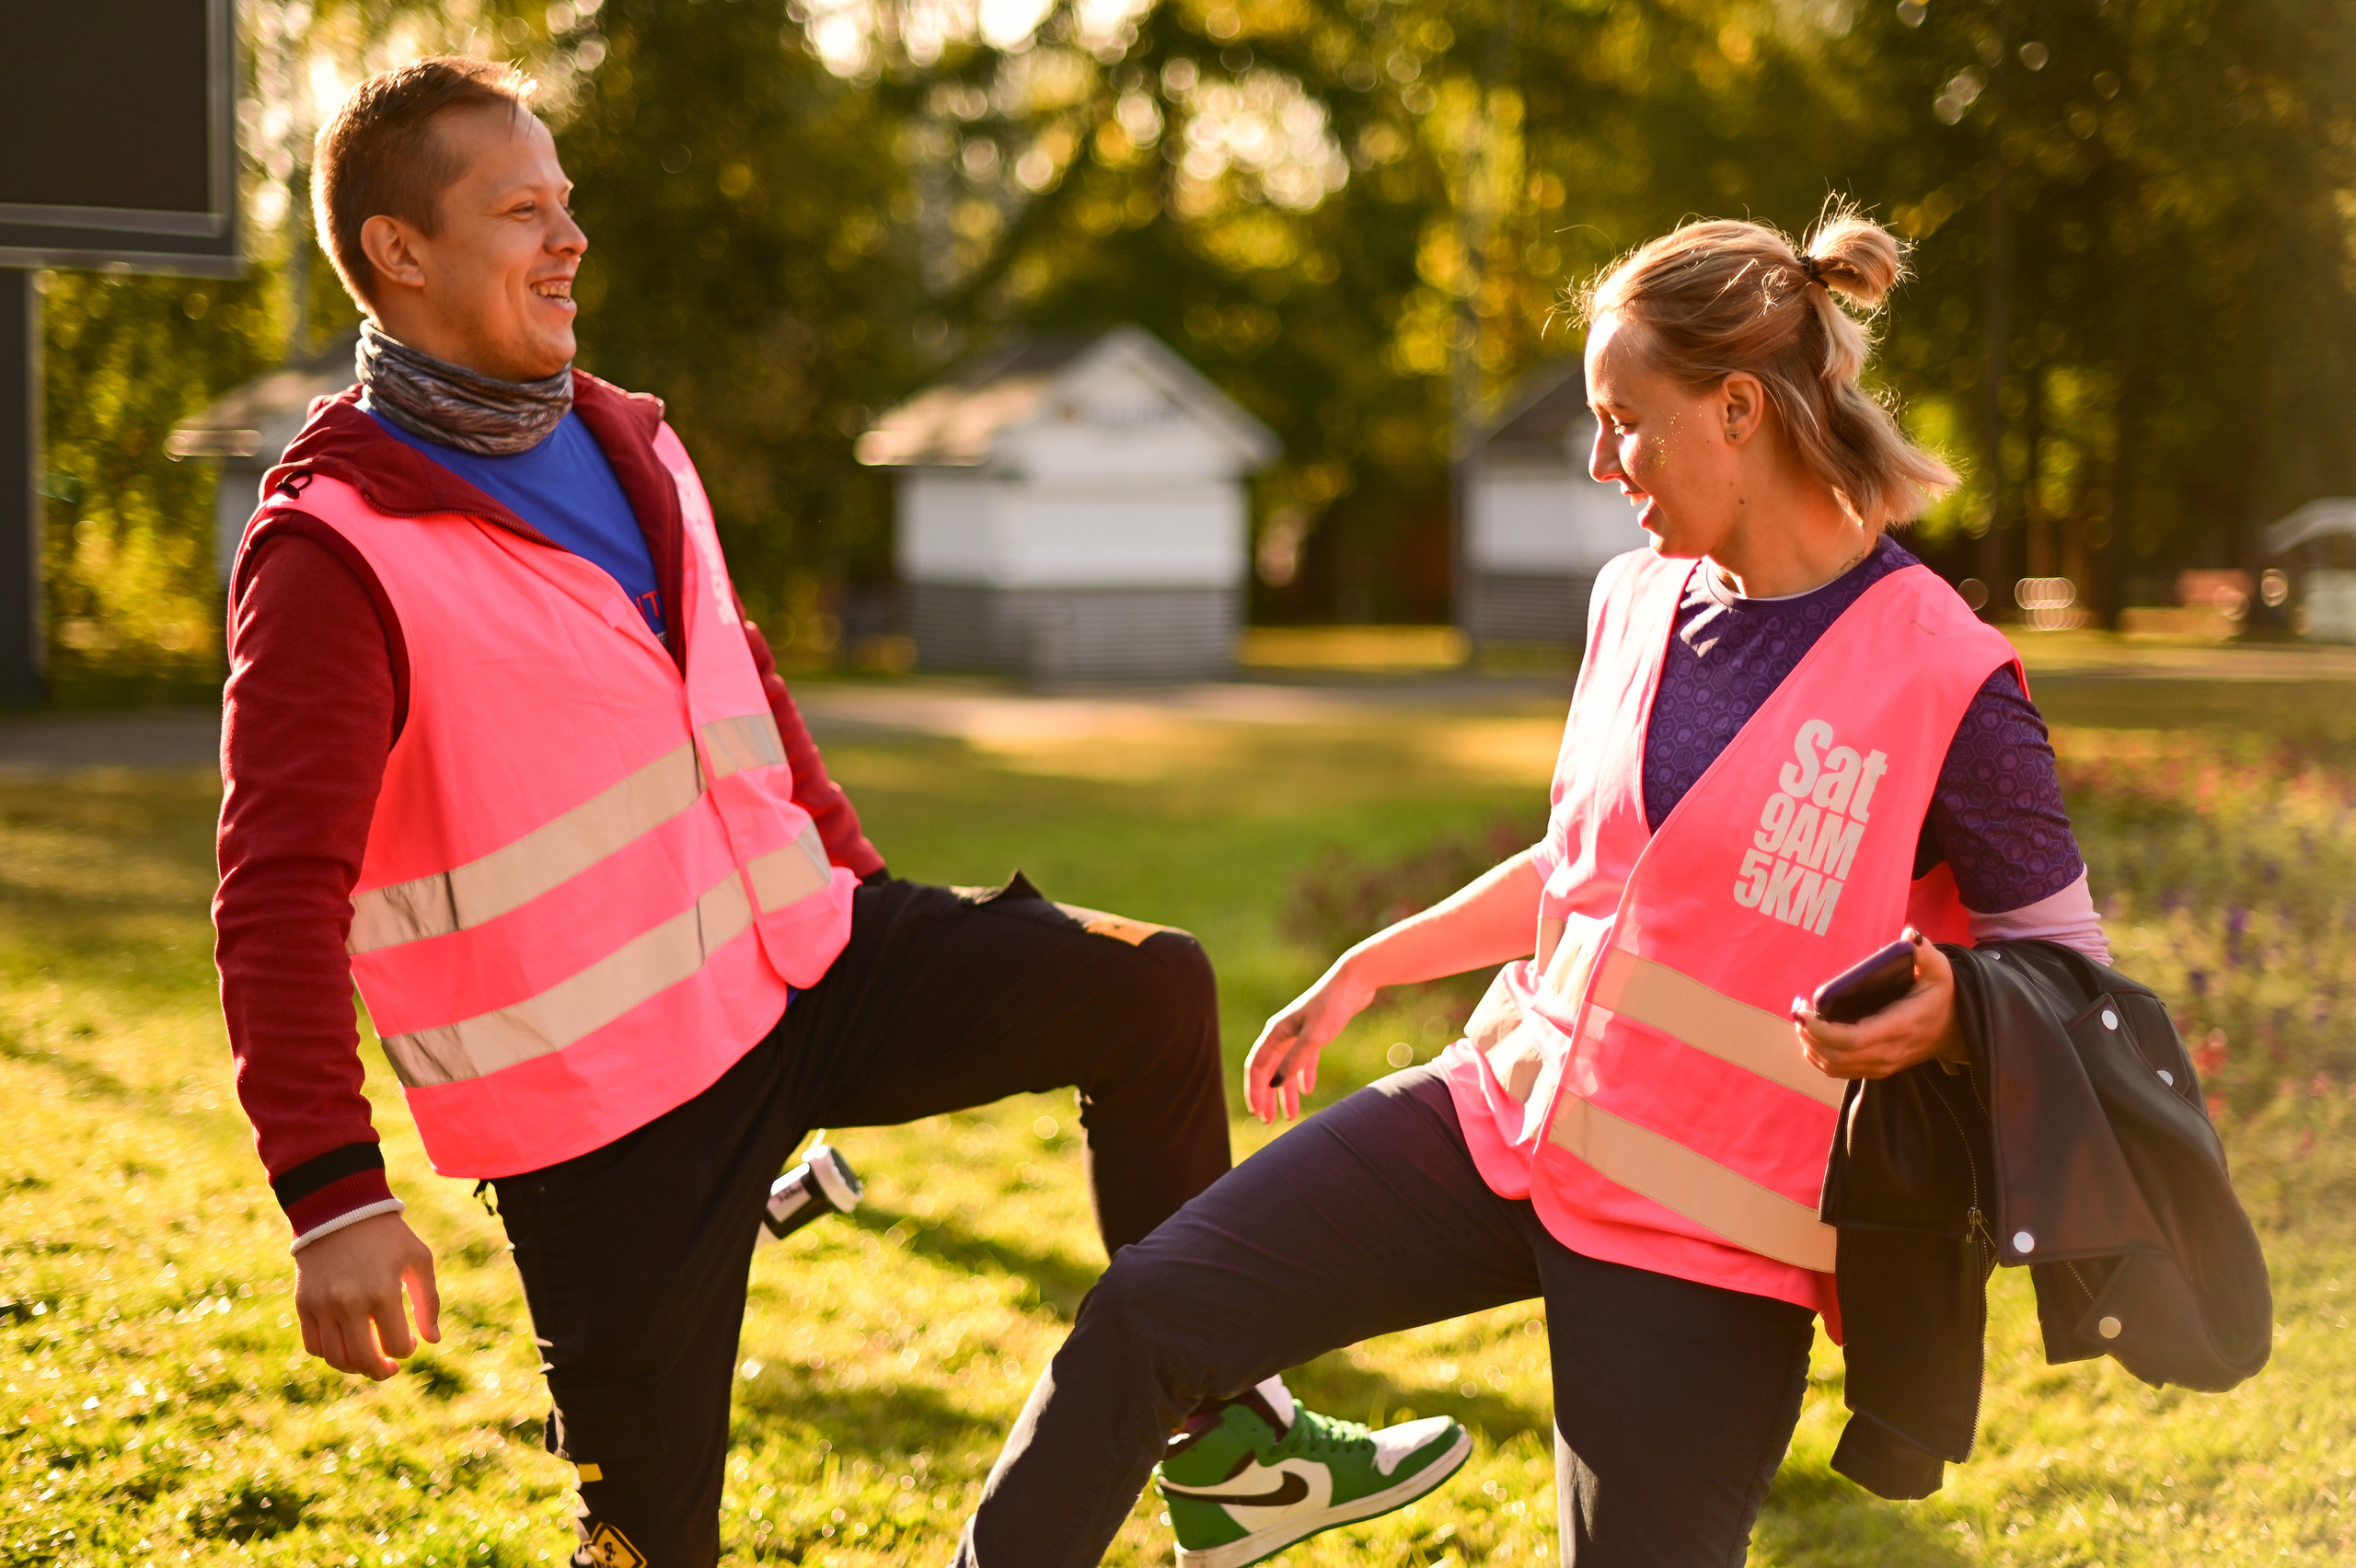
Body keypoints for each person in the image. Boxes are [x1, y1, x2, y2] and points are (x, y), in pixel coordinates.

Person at [214, 57, 1452, 1568]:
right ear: (399, 252)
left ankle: (1228, 1443)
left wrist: (858, 893)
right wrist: (332, 1194)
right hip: (600, 1117)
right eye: (520, 209)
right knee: (652, 1538)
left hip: (806, 969)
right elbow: (275, 888)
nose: (569, 241)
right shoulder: (332, 546)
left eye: (570, 205)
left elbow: (742, 685)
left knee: (1146, 987)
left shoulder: (632, 440)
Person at [952, 209, 2114, 1567]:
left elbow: (2068, 971)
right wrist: (1376, 962)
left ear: (1738, 408)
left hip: (1710, 1228)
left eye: (1628, 420)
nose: (1604, 460)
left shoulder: (1943, 673)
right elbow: (1595, 873)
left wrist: (1954, 1007)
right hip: (1504, 1114)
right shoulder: (1634, 599)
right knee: (1147, 1318)